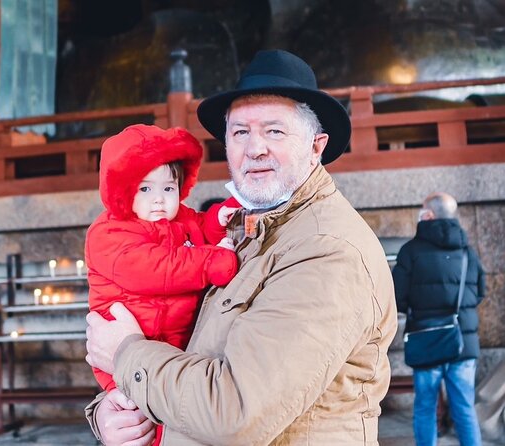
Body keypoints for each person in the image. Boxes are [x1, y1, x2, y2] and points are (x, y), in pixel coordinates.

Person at [84, 49, 398, 445]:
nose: (255, 148)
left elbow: (235, 413)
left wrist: (126, 355)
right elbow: (185, 350)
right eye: (240, 132)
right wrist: (114, 411)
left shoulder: (325, 251)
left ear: (316, 147)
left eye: (275, 131)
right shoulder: (244, 229)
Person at [85, 124, 240, 445]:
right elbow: (155, 269)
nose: (159, 200)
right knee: (141, 421)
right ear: (124, 191)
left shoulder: (177, 219)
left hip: (173, 349)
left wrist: (218, 218)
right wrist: (210, 263)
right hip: (127, 348)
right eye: (145, 189)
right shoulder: (109, 233)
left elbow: (199, 227)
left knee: (173, 417)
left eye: (168, 189)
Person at [393, 192, 485, 446]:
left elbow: (397, 297)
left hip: (427, 340)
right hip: (463, 344)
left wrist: (421, 310)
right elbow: (480, 292)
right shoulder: (468, 251)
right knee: (464, 409)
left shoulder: (410, 251)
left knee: (425, 409)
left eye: (422, 209)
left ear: (429, 215)